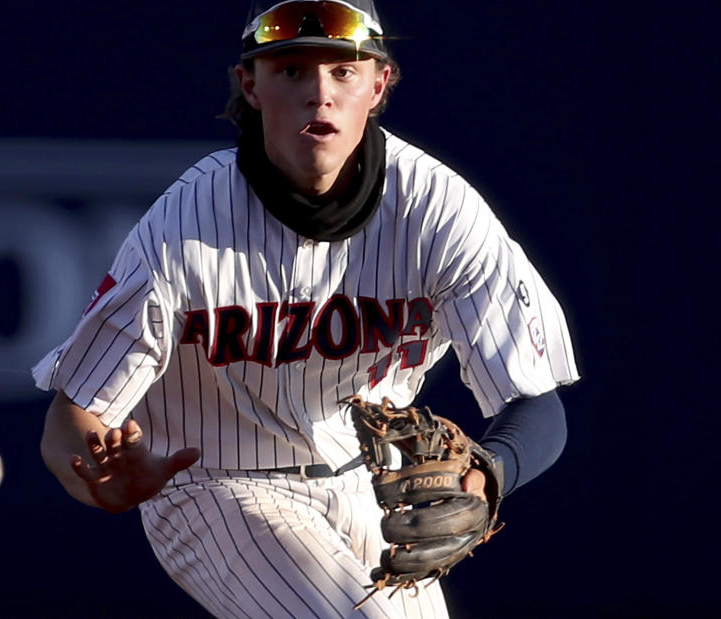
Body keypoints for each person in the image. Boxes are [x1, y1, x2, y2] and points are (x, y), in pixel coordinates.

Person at [34, 1, 579, 617]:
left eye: (343, 72)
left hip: (370, 485)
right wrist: (96, 474)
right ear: (251, 85)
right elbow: (71, 415)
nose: (320, 93)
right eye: (291, 70)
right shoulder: (183, 225)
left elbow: (537, 402)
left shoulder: (437, 210)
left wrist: (489, 470)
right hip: (217, 486)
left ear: (379, 84)